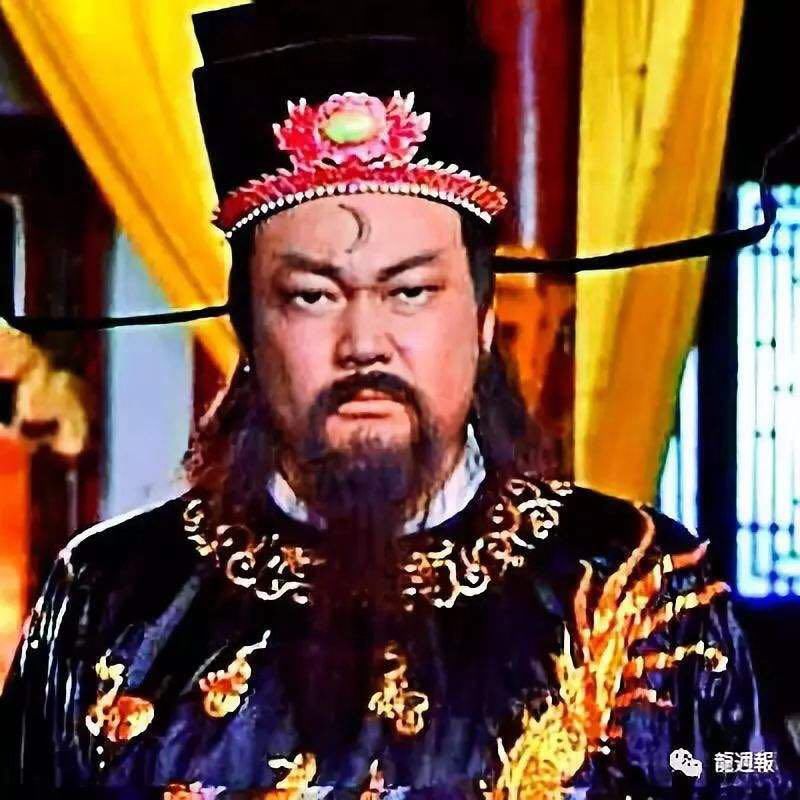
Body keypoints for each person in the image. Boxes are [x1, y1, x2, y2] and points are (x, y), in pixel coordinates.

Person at [0, 2, 792, 798]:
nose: (364, 343)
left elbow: (747, 770)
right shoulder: (107, 605)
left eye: (410, 291)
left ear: (483, 320)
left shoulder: (642, 593)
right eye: (312, 296)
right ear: (248, 326)